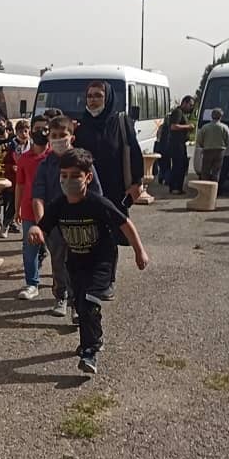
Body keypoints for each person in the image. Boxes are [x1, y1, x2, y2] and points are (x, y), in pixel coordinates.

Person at [28, 148, 149, 374]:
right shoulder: (59, 205)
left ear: (88, 178)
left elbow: (125, 224)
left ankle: (89, 351)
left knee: (88, 302)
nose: (68, 181)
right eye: (64, 175)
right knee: (82, 305)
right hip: (76, 263)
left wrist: (139, 252)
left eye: (75, 175)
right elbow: (43, 225)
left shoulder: (97, 203)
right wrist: (36, 229)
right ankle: (96, 337)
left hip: (101, 261)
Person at [73, 81, 144, 301]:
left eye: (98, 95)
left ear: (108, 98)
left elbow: (134, 153)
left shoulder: (120, 123)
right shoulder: (81, 126)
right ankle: (88, 279)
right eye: (90, 96)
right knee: (88, 236)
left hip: (114, 191)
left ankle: (106, 281)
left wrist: (137, 182)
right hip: (86, 191)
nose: (93, 100)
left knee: (110, 237)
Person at [31, 116, 104, 320]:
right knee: (58, 263)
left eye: (62, 135)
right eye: (53, 135)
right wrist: (42, 226)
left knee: (79, 264)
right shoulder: (45, 165)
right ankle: (61, 295)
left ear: (71, 137)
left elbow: (96, 193)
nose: (58, 139)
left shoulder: (83, 162)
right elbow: (38, 197)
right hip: (55, 225)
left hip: (80, 224)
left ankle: (77, 302)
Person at [14, 116, 51, 300]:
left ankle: (62, 286)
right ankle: (32, 284)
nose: (40, 132)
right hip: (29, 209)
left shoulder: (55, 157)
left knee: (58, 249)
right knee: (30, 249)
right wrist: (17, 209)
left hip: (52, 209)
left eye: (45, 129)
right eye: (37, 128)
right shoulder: (24, 159)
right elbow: (20, 185)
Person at [167, 96, 195, 194]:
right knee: (178, 165)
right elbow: (173, 126)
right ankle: (175, 187)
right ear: (184, 103)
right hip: (176, 144)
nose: (191, 107)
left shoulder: (183, 113)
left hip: (181, 143)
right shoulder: (178, 112)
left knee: (183, 165)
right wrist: (188, 126)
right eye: (190, 105)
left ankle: (178, 187)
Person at [196, 108, 229, 181]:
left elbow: (199, 139)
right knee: (216, 172)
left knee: (205, 171)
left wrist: (203, 146)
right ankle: (214, 186)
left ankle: (205, 185)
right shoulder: (225, 127)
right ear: (221, 116)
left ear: (211, 116)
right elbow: (227, 141)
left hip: (207, 150)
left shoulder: (205, 127)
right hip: (220, 151)